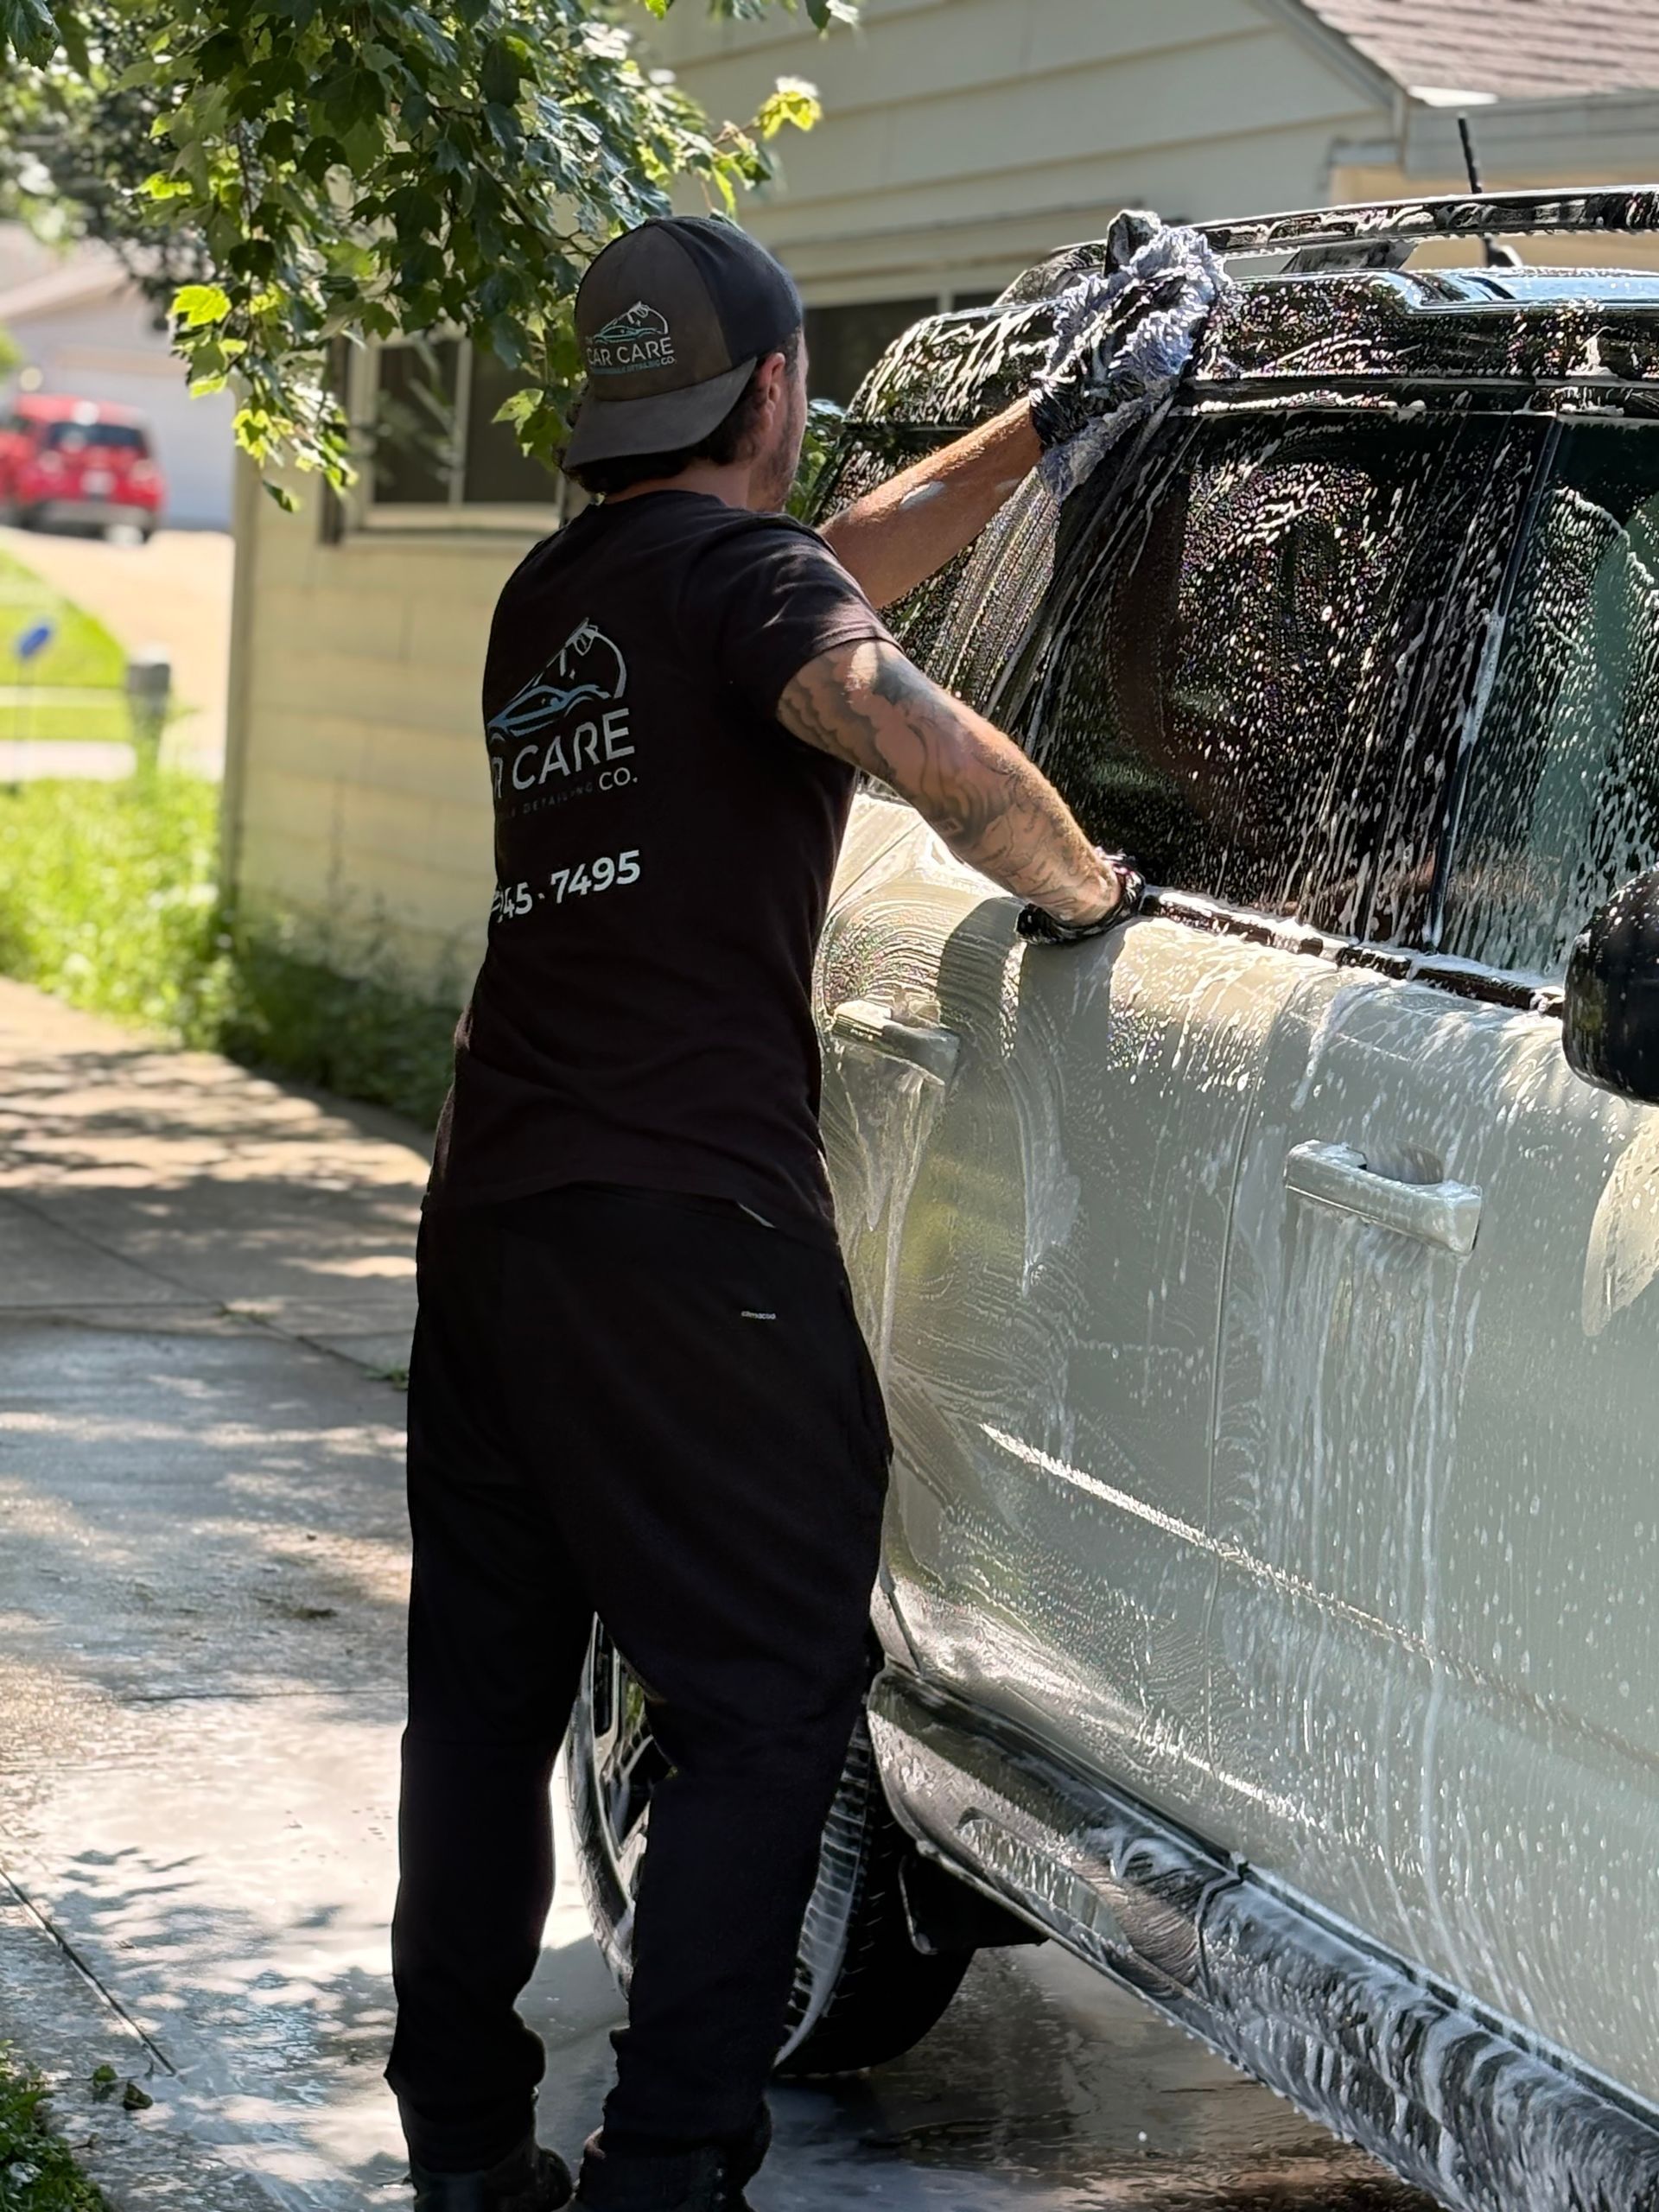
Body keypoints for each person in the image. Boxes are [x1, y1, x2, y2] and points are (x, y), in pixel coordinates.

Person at [388, 213, 1142, 2212]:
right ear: (776, 390)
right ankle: (666, 2166)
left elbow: (841, 564)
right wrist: (1084, 893)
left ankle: (465, 2151)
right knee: (767, 1691)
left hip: (497, 1224)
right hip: (682, 1237)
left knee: (483, 1690)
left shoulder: (563, 595)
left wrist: (1049, 427)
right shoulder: (743, 593)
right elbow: (924, 740)